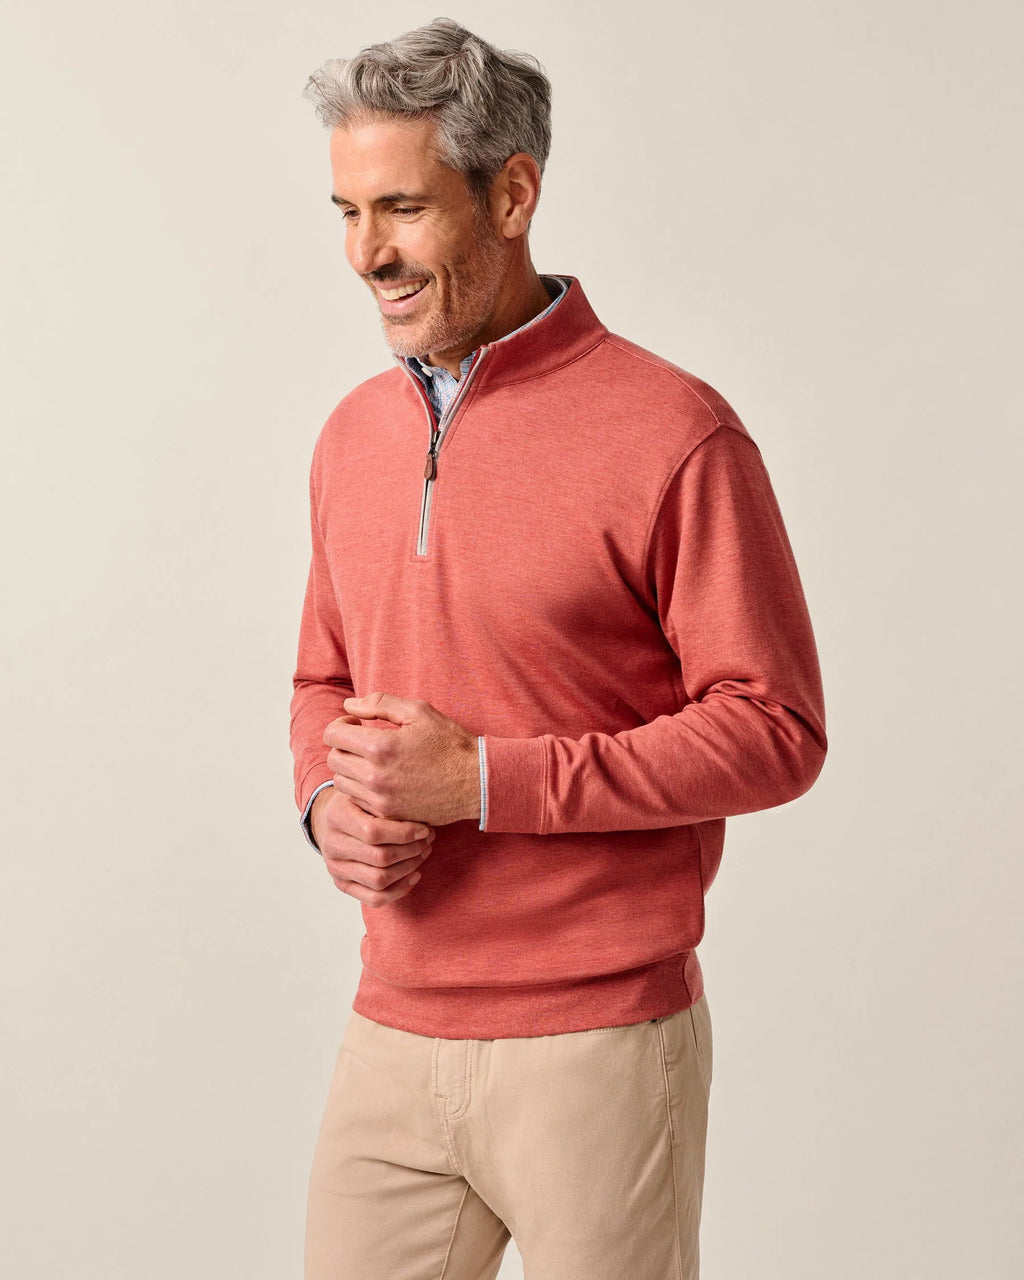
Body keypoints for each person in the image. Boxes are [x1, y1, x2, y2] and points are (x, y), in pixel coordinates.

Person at [289, 17, 826, 1280]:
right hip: (390, 1026)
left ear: (512, 194)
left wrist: (485, 780)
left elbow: (775, 727)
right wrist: (326, 803)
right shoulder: (350, 436)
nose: (366, 253)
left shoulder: (674, 432)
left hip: (599, 1041)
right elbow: (324, 676)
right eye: (347, 211)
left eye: (403, 207)